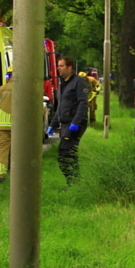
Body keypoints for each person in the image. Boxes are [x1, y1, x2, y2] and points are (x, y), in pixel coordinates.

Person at [47, 56, 89, 184]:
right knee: (67, 155)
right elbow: (61, 106)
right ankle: (74, 182)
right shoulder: (62, 84)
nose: (58, 68)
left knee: (65, 153)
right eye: (58, 66)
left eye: (61, 66)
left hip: (74, 123)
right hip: (65, 124)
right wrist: (53, 124)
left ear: (70, 67)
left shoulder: (78, 82)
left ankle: (74, 182)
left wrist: (75, 122)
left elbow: (83, 103)